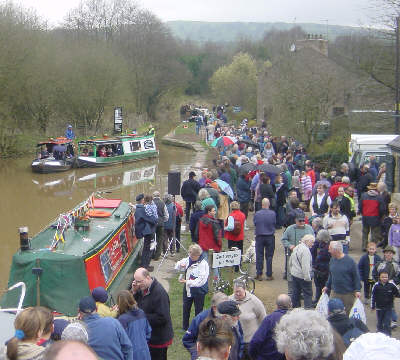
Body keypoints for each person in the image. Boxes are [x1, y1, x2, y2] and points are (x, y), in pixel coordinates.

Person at [132, 268, 174, 360]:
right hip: (149, 335)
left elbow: (162, 318)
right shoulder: (142, 289)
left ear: (147, 277)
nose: (138, 284)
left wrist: (141, 316)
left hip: (158, 338)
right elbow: (135, 304)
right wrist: (134, 292)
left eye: (140, 282)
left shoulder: (159, 293)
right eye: (136, 281)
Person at [78, 296, 133, 360]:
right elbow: (127, 347)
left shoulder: (79, 334)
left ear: (79, 311)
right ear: (96, 309)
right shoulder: (113, 322)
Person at [182, 292, 229, 360]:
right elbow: (187, 340)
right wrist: (197, 353)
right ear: (214, 308)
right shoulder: (200, 319)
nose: (227, 309)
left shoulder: (230, 317)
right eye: (223, 307)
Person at [175, 244, 209, 331]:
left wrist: (188, 282)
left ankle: (198, 328)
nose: (190, 256)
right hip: (188, 288)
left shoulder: (203, 264)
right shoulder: (188, 259)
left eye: (193, 255)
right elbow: (178, 265)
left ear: (198, 255)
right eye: (190, 254)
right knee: (186, 307)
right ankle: (185, 327)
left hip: (199, 290)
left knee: (198, 310)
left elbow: (202, 280)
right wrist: (180, 265)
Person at [229, 280, 266, 359]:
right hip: (235, 342)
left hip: (250, 341)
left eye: (240, 292)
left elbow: (263, 319)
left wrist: (261, 337)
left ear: (245, 290)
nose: (238, 294)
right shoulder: (229, 301)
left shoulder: (255, 301)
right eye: (236, 292)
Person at [322, 241, 361, 316]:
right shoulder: (332, 260)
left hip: (348, 294)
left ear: (336, 250)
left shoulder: (350, 262)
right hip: (335, 292)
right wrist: (327, 286)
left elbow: (356, 277)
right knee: (332, 313)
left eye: (330, 249)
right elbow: (331, 274)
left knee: (347, 314)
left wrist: (357, 290)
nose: (328, 251)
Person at [249, 294, 292, 360]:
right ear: (290, 305)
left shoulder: (269, 319)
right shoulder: (294, 320)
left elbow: (256, 341)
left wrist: (254, 356)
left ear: (277, 305)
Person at [116, 290, 152, 360]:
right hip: (144, 352)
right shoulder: (141, 313)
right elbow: (148, 332)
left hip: (131, 355)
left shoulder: (122, 319)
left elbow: (120, 341)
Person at [281, 211, 314, 284]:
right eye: (300, 221)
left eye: (303, 220)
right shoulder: (290, 229)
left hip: (305, 256)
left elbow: (313, 239)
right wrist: (289, 245)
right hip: (292, 255)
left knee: (304, 273)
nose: (302, 222)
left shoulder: (309, 229)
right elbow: (283, 239)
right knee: (291, 275)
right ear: (295, 220)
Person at [289, 234, 315, 309]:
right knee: (308, 294)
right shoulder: (305, 251)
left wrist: (292, 271)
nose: (313, 244)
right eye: (312, 242)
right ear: (306, 241)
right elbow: (305, 266)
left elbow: (290, 261)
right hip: (303, 276)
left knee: (296, 293)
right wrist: (308, 278)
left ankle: (295, 309)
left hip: (295, 274)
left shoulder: (297, 247)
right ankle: (308, 310)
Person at [371, 270, 400, 336]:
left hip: (388, 308)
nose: (384, 278)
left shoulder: (391, 285)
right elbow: (373, 296)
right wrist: (373, 306)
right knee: (380, 323)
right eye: (383, 277)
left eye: (386, 277)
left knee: (387, 323)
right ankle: (379, 335)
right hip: (379, 308)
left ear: (388, 277)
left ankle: (388, 336)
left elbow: (397, 293)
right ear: (379, 277)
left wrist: (396, 294)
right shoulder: (376, 286)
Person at [253, 198, 276, 281]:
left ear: (262, 205)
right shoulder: (273, 213)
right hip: (270, 236)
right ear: (268, 204)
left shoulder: (257, 214)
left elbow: (255, 223)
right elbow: (274, 223)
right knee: (269, 256)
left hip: (260, 236)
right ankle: (269, 274)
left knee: (259, 255)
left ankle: (259, 273)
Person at [134, 193, 158, 272]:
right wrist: (155, 220)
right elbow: (151, 219)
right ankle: (145, 266)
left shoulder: (138, 208)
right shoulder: (142, 209)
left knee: (146, 248)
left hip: (143, 231)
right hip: (146, 232)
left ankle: (144, 265)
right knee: (148, 249)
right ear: (142, 200)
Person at [359, 182, 384, 250]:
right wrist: (380, 216)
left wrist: (363, 213)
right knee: (374, 234)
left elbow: (360, 207)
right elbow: (382, 209)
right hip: (375, 217)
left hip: (365, 217)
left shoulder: (363, 195)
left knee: (365, 233)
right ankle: (372, 247)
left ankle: (364, 246)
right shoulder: (379, 197)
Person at [224, 201, 246, 272]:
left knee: (232, 252)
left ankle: (233, 267)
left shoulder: (231, 216)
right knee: (239, 251)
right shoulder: (243, 215)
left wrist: (224, 228)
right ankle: (238, 266)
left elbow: (230, 227)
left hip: (232, 237)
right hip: (240, 237)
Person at [312, 229, 331, 305]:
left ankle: (323, 302)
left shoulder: (327, 247)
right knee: (318, 286)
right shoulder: (319, 244)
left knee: (324, 287)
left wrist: (315, 264)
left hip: (324, 270)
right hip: (318, 269)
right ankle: (317, 300)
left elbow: (320, 257)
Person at [152, 191, 169, 260]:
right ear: (159, 196)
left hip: (152, 224)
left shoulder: (151, 203)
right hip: (160, 224)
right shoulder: (163, 203)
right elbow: (167, 215)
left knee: (152, 239)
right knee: (160, 239)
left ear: (153, 196)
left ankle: (152, 254)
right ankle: (157, 255)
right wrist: (163, 221)